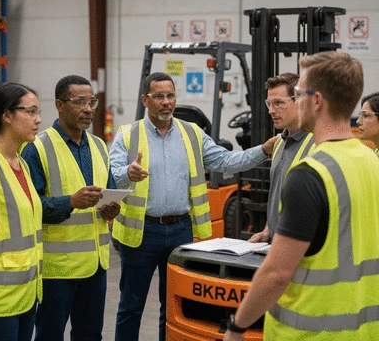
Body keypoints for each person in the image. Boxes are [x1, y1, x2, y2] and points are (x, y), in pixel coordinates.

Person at [109, 71, 278, 341]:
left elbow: (226, 161)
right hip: (141, 233)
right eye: (159, 96)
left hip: (180, 232)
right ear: (145, 100)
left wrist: (263, 150)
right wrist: (127, 173)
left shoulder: (192, 134)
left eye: (171, 95)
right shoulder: (128, 135)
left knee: (174, 306)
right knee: (131, 306)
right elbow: (111, 173)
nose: (166, 102)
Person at [224, 51, 379, 340]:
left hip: (312, 330)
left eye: (297, 93)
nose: (295, 101)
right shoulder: (371, 161)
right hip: (364, 330)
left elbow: (277, 274)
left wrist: (237, 327)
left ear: (317, 100)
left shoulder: (310, 173)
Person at [21, 75, 120, 341]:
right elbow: (29, 208)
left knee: (90, 335)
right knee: (50, 335)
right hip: (58, 268)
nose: (89, 109)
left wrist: (111, 209)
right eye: (80, 102)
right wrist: (71, 202)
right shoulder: (36, 148)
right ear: (59, 105)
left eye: (92, 102)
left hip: (96, 265)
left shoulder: (99, 146)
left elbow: (107, 192)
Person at [0, 82, 43, 341]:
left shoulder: (22, 164)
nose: (38, 120)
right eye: (30, 112)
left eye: (39, 112)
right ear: (6, 115)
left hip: (27, 296)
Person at [249, 73, 314, 243]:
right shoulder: (278, 144)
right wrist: (268, 229)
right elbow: (279, 195)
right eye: (269, 104)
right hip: (278, 242)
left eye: (279, 103)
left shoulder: (317, 145)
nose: (271, 110)